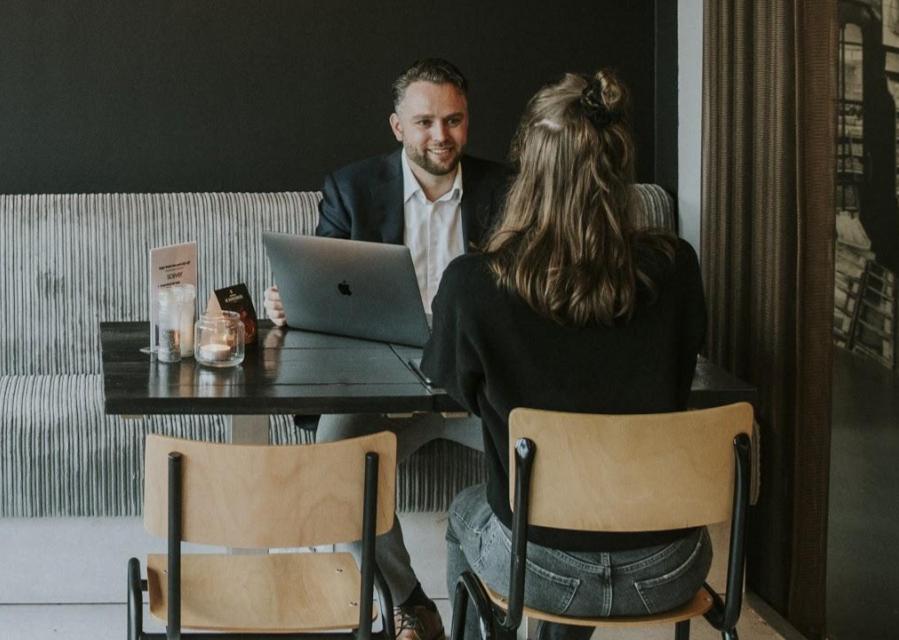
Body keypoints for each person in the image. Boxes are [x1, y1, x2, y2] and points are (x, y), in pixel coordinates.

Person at [420, 69, 710, 640]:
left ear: (529, 165)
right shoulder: (676, 267)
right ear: (619, 167)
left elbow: (455, 387)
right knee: (567, 538)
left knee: (465, 517)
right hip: (668, 565)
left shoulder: (474, 284)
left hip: (542, 566)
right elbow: (685, 362)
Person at [263, 58, 509, 640]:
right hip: (382, 381)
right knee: (336, 461)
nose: (440, 136)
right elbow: (324, 287)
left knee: (544, 446)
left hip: (479, 384)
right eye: (424, 122)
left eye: (454, 121)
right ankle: (408, 600)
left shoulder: (507, 188)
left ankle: (505, 602)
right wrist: (294, 304)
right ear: (398, 126)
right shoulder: (351, 188)